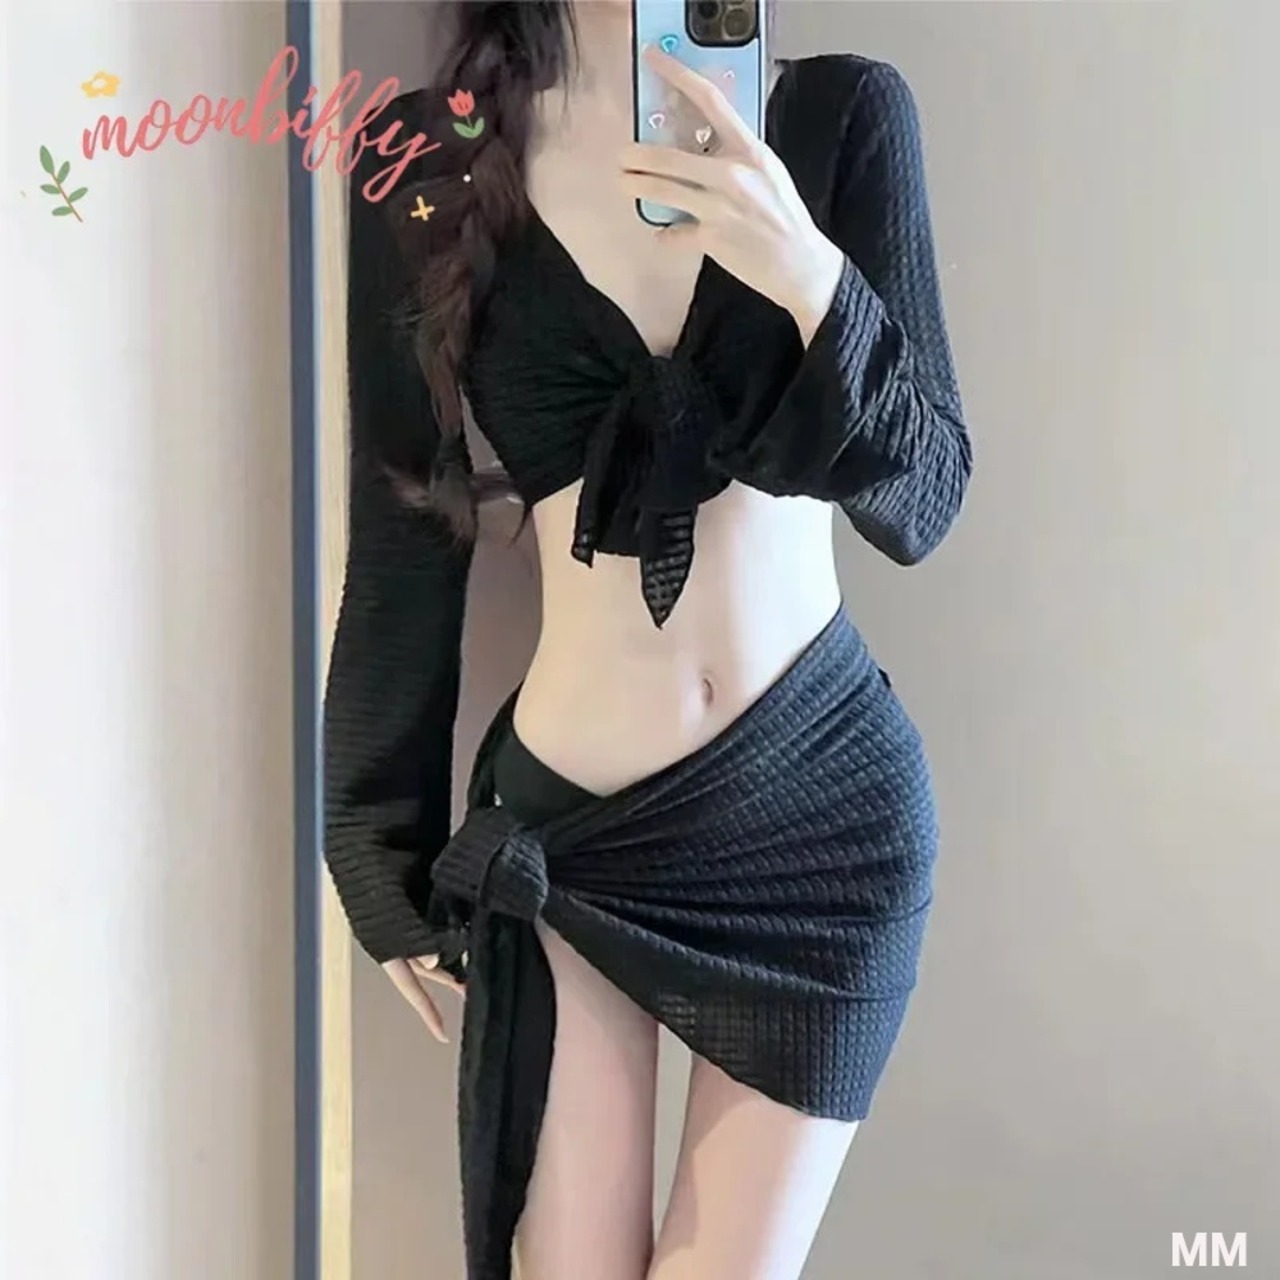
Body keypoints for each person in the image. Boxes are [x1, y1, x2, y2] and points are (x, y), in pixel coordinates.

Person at [324, 2, 972, 1278]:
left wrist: (813, 282)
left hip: (821, 836)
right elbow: (403, 533)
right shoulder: (425, 159)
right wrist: (371, 846)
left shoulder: (837, 117)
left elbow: (925, 498)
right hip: (573, 838)